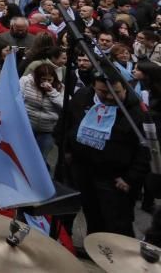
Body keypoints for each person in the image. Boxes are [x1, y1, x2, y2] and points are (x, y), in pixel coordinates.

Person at [63, 71, 150, 237]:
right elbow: (67, 123)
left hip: (114, 179)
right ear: (94, 87)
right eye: (103, 92)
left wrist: (131, 177)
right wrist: (67, 150)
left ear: (125, 88)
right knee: (92, 216)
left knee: (117, 224)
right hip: (83, 171)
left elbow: (146, 150)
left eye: (116, 92)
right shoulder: (82, 97)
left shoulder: (137, 112)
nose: (110, 97)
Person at [20, 61, 64, 157]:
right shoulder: (26, 81)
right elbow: (18, 98)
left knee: (40, 157)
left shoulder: (60, 88)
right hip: (27, 126)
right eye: (43, 79)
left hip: (47, 129)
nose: (46, 82)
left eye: (50, 80)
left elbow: (64, 105)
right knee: (24, 156)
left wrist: (52, 92)